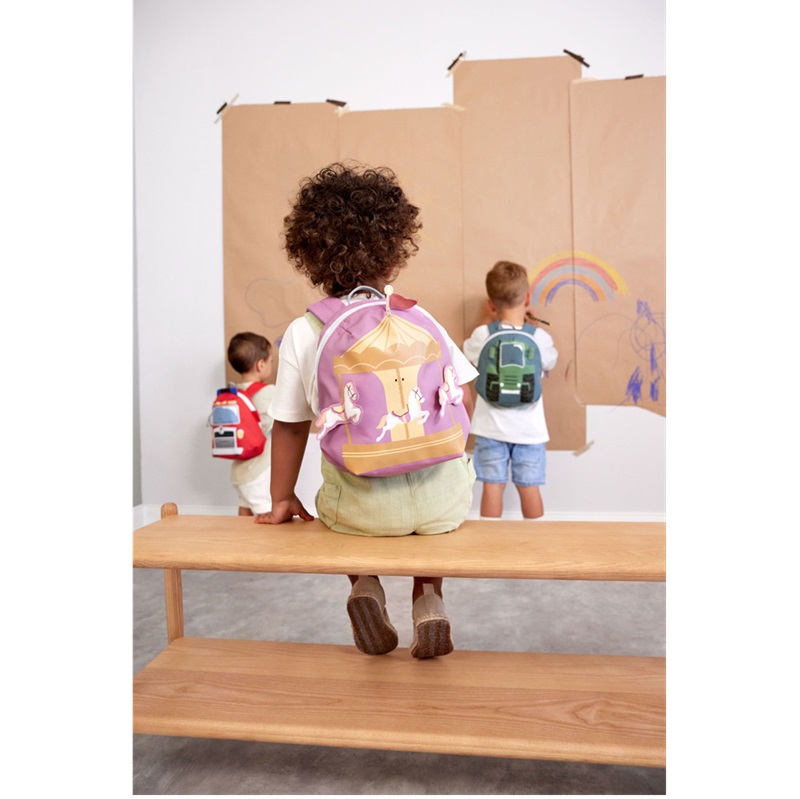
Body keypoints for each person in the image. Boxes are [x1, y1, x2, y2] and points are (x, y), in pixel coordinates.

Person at [255, 162, 477, 659]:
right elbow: (463, 396)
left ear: (311, 256)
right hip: (443, 504)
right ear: (394, 256)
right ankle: (429, 597)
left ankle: (364, 585)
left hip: (362, 509)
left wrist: (281, 498)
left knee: (338, 504)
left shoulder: (305, 331)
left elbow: (288, 426)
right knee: (437, 489)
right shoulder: (417, 315)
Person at [462, 261, 558, 519]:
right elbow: (550, 361)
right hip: (530, 431)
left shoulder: (482, 335)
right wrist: (534, 330)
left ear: (491, 303)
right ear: (527, 298)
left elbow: (467, 353)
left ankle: (490, 541)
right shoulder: (539, 338)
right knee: (530, 487)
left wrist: (486, 320)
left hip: (490, 429)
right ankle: (536, 540)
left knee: (493, 487)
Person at [226, 332, 275, 516]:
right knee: (266, 513)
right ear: (260, 365)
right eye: (271, 361)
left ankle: (239, 536)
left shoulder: (234, 393)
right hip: (259, 472)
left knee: (244, 509)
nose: (271, 365)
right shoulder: (269, 393)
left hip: (239, 471)